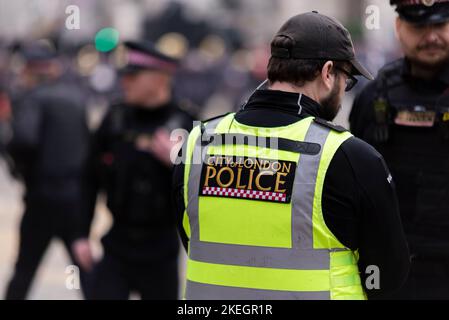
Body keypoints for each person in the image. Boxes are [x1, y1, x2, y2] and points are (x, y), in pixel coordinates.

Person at [173, 11, 410, 300]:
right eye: (346, 80)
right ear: (327, 73)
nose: (343, 90)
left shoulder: (198, 142)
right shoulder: (349, 157)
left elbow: (192, 237)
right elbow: (386, 275)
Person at [78, 41, 193, 300]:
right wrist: (80, 234)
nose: (124, 82)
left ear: (158, 79)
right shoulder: (115, 118)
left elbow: (203, 190)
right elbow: (88, 178)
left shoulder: (186, 123)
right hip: (117, 245)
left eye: (132, 76)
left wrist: (178, 163)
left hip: (160, 251)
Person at [350, 0, 449, 299]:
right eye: (419, 27)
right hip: (393, 271)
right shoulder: (375, 95)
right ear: (399, 28)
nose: (430, 37)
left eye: (440, 26)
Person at [4, 43, 92, 299]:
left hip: (43, 197)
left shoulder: (32, 98)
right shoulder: (76, 97)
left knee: (24, 270)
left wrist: (21, 169)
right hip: (74, 199)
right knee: (84, 268)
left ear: (29, 71)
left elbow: (23, 140)